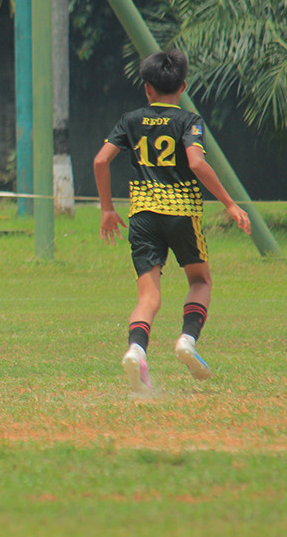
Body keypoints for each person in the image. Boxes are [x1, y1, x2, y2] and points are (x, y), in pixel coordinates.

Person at [93, 49, 251, 397]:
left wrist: (107, 209)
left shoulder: (130, 120)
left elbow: (101, 161)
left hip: (143, 216)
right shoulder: (189, 121)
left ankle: (136, 351)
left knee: (148, 296)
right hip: (182, 214)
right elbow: (196, 164)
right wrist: (228, 202)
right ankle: (186, 341)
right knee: (200, 279)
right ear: (181, 86)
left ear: (146, 88)